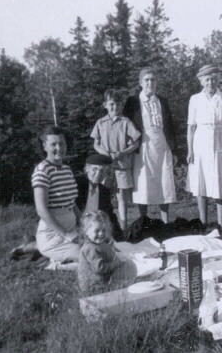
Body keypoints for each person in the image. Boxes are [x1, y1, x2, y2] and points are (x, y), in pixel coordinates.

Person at [124, 68, 177, 223]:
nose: (150, 83)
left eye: (153, 80)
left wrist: (173, 150)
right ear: (141, 83)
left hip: (162, 145)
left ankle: (165, 221)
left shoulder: (162, 101)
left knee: (164, 183)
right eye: (146, 80)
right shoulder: (133, 101)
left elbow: (170, 126)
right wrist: (128, 144)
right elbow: (125, 125)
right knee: (143, 184)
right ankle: (144, 222)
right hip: (143, 147)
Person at [186, 64, 222, 229]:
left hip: (220, 142)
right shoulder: (195, 99)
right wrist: (190, 151)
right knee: (202, 182)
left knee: (220, 182)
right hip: (200, 143)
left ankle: (221, 223)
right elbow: (191, 127)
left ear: (217, 79)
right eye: (207, 79)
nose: (210, 82)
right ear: (201, 81)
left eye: (213, 79)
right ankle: (203, 222)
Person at [91, 89, 141, 231]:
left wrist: (122, 152)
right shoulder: (100, 123)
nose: (115, 107)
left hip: (122, 165)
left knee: (121, 198)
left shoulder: (126, 122)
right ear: (105, 105)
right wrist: (105, 153)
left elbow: (135, 143)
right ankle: (102, 228)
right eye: (111, 104)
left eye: (118, 104)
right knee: (103, 197)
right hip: (105, 167)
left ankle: (123, 228)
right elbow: (96, 143)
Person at [31, 126, 80, 267]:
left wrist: (85, 224)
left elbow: (72, 203)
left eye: (62, 143)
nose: (59, 148)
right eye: (53, 144)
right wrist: (66, 234)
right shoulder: (42, 170)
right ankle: (54, 264)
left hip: (71, 230)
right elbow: (41, 210)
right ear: (44, 146)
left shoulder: (66, 169)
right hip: (53, 234)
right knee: (91, 256)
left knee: (104, 246)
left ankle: (41, 251)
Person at [78, 211, 137, 295]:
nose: (101, 233)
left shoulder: (98, 243)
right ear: (86, 231)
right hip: (95, 286)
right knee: (128, 266)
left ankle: (123, 283)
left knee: (128, 264)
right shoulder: (90, 248)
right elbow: (100, 269)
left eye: (104, 230)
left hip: (102, 279)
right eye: (97, 231)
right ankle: (116, 287)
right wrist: (116, 263)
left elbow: (110, 253)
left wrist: (110, 248)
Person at [76, 154, 123, 241]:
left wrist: (120, 238)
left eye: (102, 171)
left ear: (106, 173)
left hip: (95, 232)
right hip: (76, 229)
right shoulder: (77, 184)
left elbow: (110, 216)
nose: (98, 174)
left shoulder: (104, 191)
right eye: (95, 169)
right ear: (87, 170)